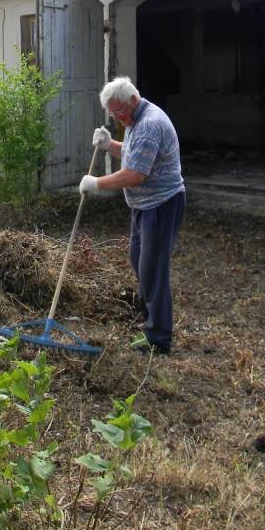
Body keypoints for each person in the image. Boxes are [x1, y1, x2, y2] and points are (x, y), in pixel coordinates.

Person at [79, 77, 185, 355]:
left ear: (133, 101)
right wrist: (110, 145)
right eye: (112, 114)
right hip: (143, 206)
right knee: (139, 260)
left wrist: (97, 183)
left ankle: (158, 338)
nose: (116, 117)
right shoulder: (136, 120)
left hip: (161, 205)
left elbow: (136, 174)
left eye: (118, 112)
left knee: (153, 269)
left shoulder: (149, 124)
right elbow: (133, 154)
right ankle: (151, 318)